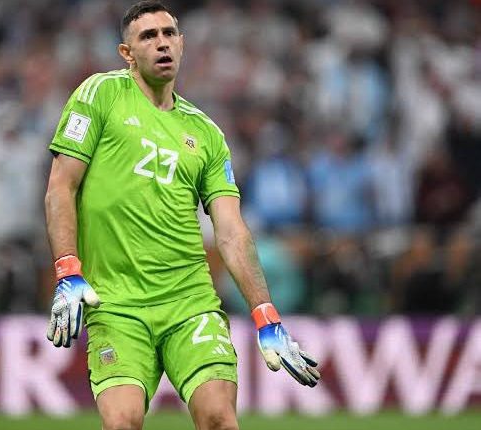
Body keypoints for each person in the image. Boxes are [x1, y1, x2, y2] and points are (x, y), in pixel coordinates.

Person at [44, 2, 320, 429]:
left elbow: (231, 231)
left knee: (219, 419)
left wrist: (266, 314)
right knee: (122, 423)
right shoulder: (100, 94)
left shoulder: (206, 134)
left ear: (182, 44)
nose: (162, 44)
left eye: (169, 34)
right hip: (115, 303)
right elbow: (61, 186)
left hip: (190, 303)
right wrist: (67, 270)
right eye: (148, 36)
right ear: (126, 53)